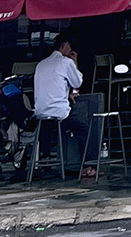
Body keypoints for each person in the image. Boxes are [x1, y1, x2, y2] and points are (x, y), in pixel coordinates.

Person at [32, 39, 90, 175]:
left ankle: (46, 161)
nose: (70, 50)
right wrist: (75, 62)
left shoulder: (41, 64)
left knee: (46, 127)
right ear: (63, 46)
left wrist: (65, 93)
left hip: (40, 111)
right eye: (69, 47)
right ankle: (87, 166)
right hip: (58, 112)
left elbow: (52, 86)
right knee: (83, 129)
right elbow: (77, 82)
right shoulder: (66, 62)